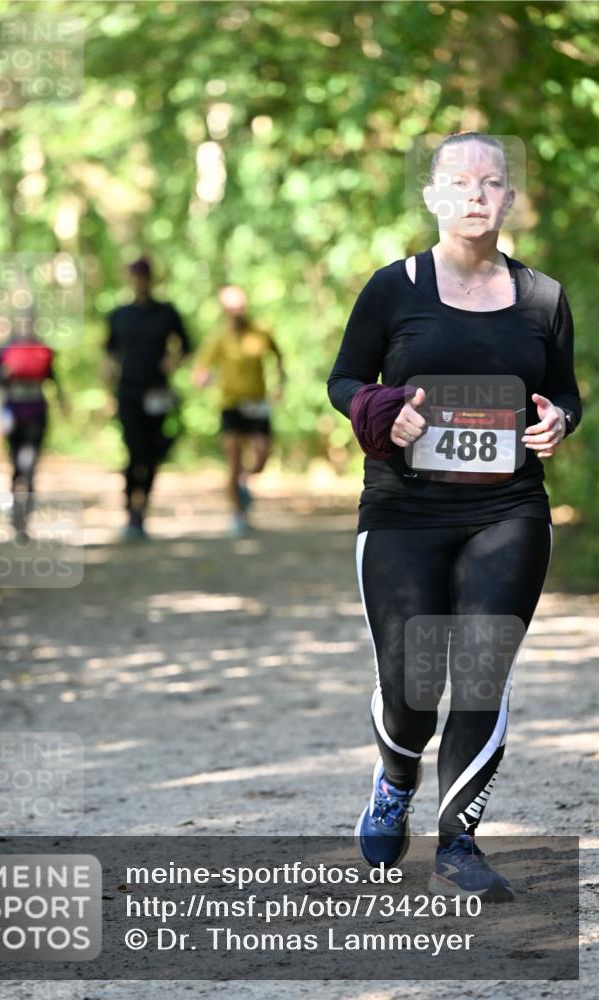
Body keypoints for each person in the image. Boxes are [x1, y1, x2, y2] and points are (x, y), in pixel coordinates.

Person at [327, 132, 581, 901]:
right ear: (432, 196)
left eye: (492, 182)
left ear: (509, 198)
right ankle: (395, 776)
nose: (475, 194)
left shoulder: (542, 296)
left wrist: (558, 421)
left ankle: (457, 840)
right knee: (410, 685)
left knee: (479, 667)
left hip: (507, 508)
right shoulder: (393, 287)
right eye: (458, 181)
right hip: (402, 510)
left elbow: (566, 391)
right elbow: (344, 379)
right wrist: (380, 413)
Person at [106, 256, 191, 540]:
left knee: (154, 452)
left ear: (151, 279)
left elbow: (186, 346)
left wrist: (173, 363)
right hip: (128, 392)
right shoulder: (119, 315)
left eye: (144, 276)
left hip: (157, 392)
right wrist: (109, 379)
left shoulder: (166, 313)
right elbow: (109, 351)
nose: (140, 282)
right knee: (134, 450)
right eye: (135, 276)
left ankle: (144, 507)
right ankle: (130, 507)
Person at [193, 285, 285, 536]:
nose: (236, 313)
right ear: (225, 311)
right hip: (231, 404)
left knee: (262, 454)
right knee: (233, 458)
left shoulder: (261, 332)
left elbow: (278, 357)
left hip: (257, 402)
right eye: (231, 309)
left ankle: (245, 481)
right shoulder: (219, 338)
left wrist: (280, 384)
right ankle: (237, 515)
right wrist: (203, 379)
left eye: (239, 308)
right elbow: (200, 369)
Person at [0, 319, 66, 540]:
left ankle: (24, 520)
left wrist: (62, 401)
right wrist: (4, 374)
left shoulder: (41, 351)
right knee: (16, 466)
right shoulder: (5, 350)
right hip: (12, 414)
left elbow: (52, 378)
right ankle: (14, 510)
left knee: (29, 466)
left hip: (37, 414)